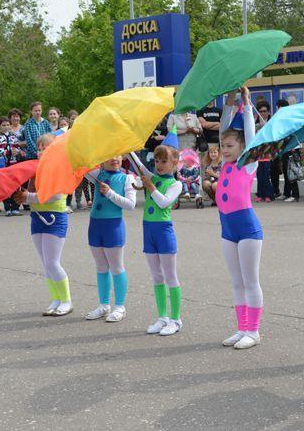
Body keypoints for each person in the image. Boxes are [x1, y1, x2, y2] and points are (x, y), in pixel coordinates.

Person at [217, 87, 265, 350]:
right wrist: (228, 102)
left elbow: (250, 135)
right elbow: (225, 126)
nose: (224, 149)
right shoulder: (224, 163)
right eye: (223, 145)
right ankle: (242, 327)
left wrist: (246, 105)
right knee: (236, 282)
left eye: (230, 145)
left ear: (243, 147)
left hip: (247, 230)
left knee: (250, 281)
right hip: (227, 231)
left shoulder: (247, 163)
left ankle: (254, 331)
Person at [130, 130, 184, 336]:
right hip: (148, 231)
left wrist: (150, 185)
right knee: (156, 277)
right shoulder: (152, 176)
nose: (159, 165)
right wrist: (127, 148)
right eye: (157, 160)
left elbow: (164, 202)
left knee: (171, 276)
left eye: (164, 161)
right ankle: (162, 317)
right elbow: (138, 165)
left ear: (175, 163)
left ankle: (176, 319)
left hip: (163, 232)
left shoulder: (175, 184)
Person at [13, 133, 73, 317]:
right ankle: (55, 298)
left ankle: (66, 301)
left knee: (53, 263)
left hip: (55, 218)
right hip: (37, 218)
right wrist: (20, 197)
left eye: (44, 148)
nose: (40, 151)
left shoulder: (60, 169)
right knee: (45, 264)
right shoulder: (35, 170)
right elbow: (31, 196)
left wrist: (27, 197)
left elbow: (54, 195)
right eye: (39, 148)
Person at [84, 156, 137, 323]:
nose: (114, 158)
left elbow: (130, 205)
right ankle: (104, 305)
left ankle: (120, 307)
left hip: (113, 227)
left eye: (117, 155)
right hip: (95, 226)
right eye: (109, 155)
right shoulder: (95, 174)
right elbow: (79, 164)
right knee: (101, 267)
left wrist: (110, 193)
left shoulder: (127, 178)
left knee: (116, 267)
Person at [0, 117, 22, 216]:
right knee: (4, 186)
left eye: (8, 125)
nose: (6, 127)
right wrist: (7, 152)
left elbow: (17, 146)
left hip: (13, 163)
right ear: (0, 126)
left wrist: (17, 151)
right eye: (4, 125)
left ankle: (15, 207)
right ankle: (7, 207)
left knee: (15, 186)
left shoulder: (13, 135)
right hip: (2, 164)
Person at [255, 101, 274, 202]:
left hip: (268, 151)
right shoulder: (255, 122)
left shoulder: (272, 121)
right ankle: (259, 194)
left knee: (266, 175)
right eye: (261, 111)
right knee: (259, 175)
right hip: (258, 151)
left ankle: (268, 195)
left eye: (264, 111)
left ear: (268, 112)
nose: (262, 113)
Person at [271, 99, 289, 198]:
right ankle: (276, 191)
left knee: (287, 170)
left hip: (286, 147)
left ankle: (288, 193)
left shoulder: (288, 118)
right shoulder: (276, 118)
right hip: (277, 148)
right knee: (275, 170)